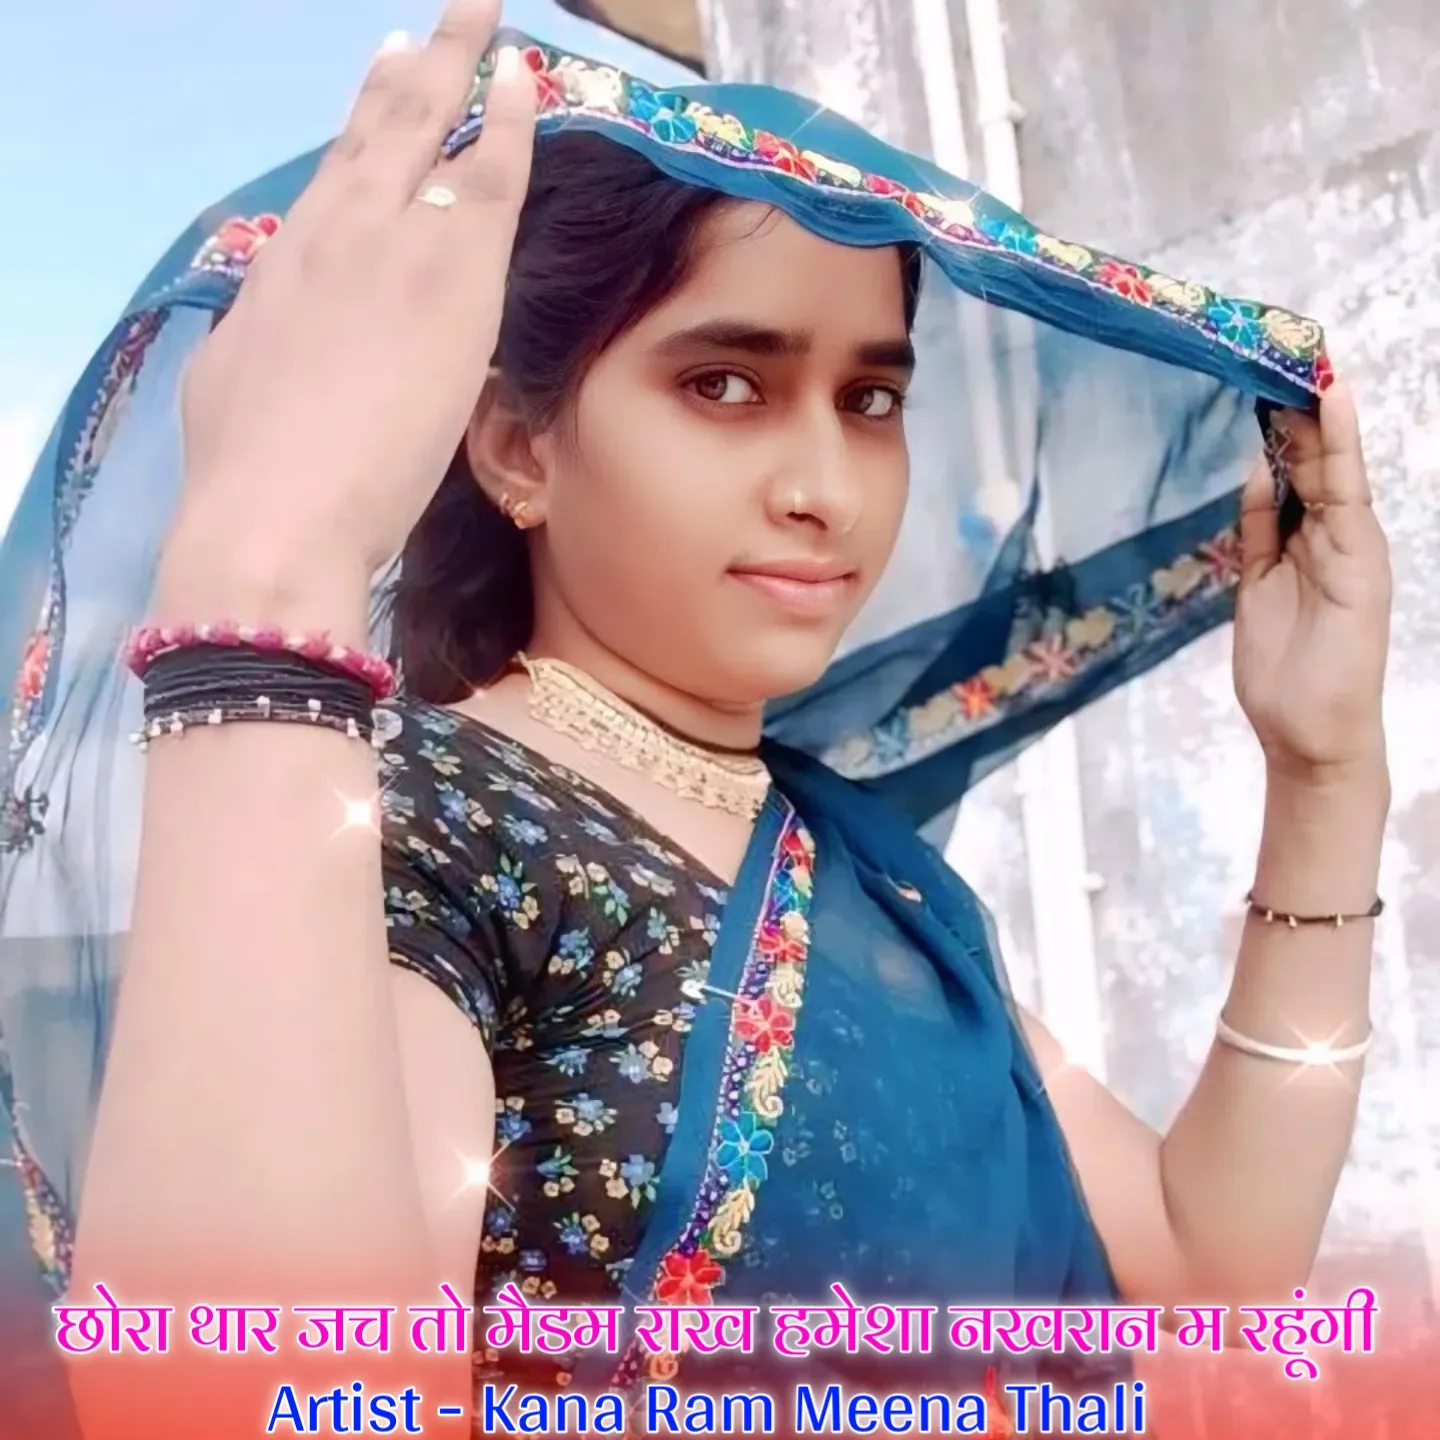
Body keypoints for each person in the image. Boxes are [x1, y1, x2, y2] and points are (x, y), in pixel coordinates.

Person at [0, 1, 1390, 1434]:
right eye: (726, 385)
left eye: (870, 399)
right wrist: (266, 561)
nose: (825, 487)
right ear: (519, 446)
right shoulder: (418, 829)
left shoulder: (871, 878)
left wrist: (1327, 774)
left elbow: (1208, 1261)